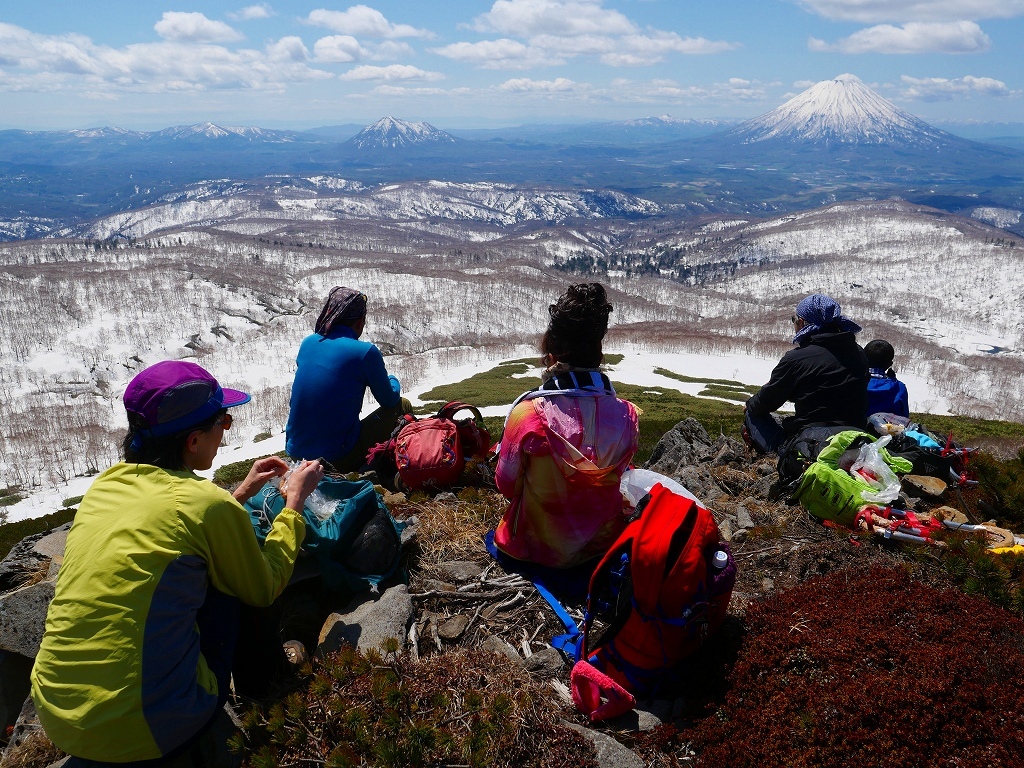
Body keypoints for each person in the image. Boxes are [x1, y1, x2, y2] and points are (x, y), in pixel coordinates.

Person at [31, 360, 324, 766]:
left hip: (59, 718)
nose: (226, 429)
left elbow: (173, 522)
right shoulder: (207, 505)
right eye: (223, 420)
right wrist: (294, 503)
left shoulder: (104, 488)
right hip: (149, 729)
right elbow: (263, 585)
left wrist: (238, 493)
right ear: (192, 440)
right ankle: (269, 688)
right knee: (232, 584)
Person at [493, 283, 639, 569]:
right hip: (602, 545)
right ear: (598, 351)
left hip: (537, 548)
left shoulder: (528, 415)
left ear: (553, 353)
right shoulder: (627, 416)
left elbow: (507, 485)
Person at [286, 286, 411, 472]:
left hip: (295, 453)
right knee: (403, 406)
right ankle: (390, 469)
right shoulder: (364, 352)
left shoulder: (308, 343)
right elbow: (389, 400)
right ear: (360, 321)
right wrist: (394, 380)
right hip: (336, 458)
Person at [744, 293, 869, 454]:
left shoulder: (797, 358)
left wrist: (750, 404)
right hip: (855, 440)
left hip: (813, 445)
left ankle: (777, 455)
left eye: (794, 320)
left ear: (801, 322)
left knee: (751, 415)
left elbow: (766, 402)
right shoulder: (859, 353)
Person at [864, 339, 910, 418]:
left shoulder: (851, 381)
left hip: (849, 428)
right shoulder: (899, 388)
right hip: (884, 429)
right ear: (890, 364)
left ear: (863, 358)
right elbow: (903, 417)